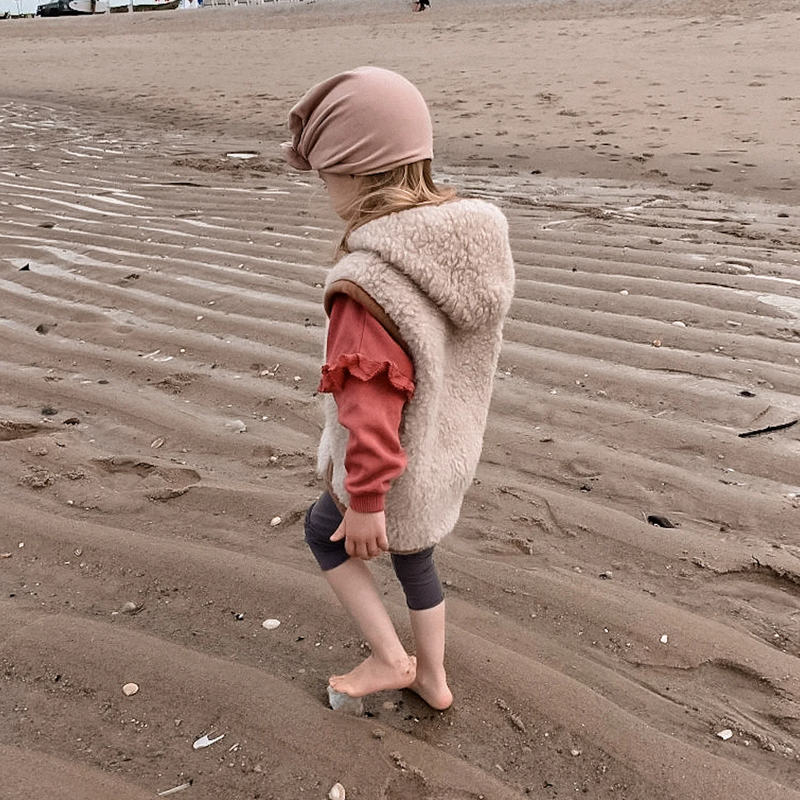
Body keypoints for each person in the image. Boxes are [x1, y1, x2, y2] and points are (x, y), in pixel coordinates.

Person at [284, 67, 514, 710]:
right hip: (446, 454)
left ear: (357, 172)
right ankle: (433, 681)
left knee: (320, 534)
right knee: (417, 562)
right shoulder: (465, 243)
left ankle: (390, 658)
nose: (325, 189)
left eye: (327, 175)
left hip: (389, 472)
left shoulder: (370, 283)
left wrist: (366, 497)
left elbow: (370, 402)